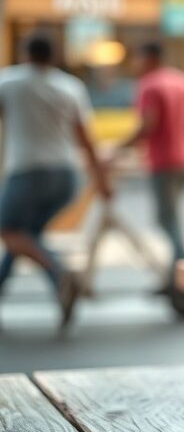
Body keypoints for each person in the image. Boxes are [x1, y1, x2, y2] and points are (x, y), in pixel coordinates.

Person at [0, 33, 111, 330]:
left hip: (27, 171)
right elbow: (86, 140)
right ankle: (60, 289)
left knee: (10, 232)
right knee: (27, 235)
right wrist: (101, 178)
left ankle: (61, 273)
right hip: (67, 175)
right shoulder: (71, 86)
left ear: (26, 53)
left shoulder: (10, 82)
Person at [113, 42, 184, 292]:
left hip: (164, 161)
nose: (135, 64)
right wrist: (181, 129)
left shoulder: (150, 85)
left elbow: (148, 125)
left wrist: (118, 150)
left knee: (168, 221)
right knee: (173, 219)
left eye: (138, 58)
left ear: (149, 58)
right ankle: (176, 275)